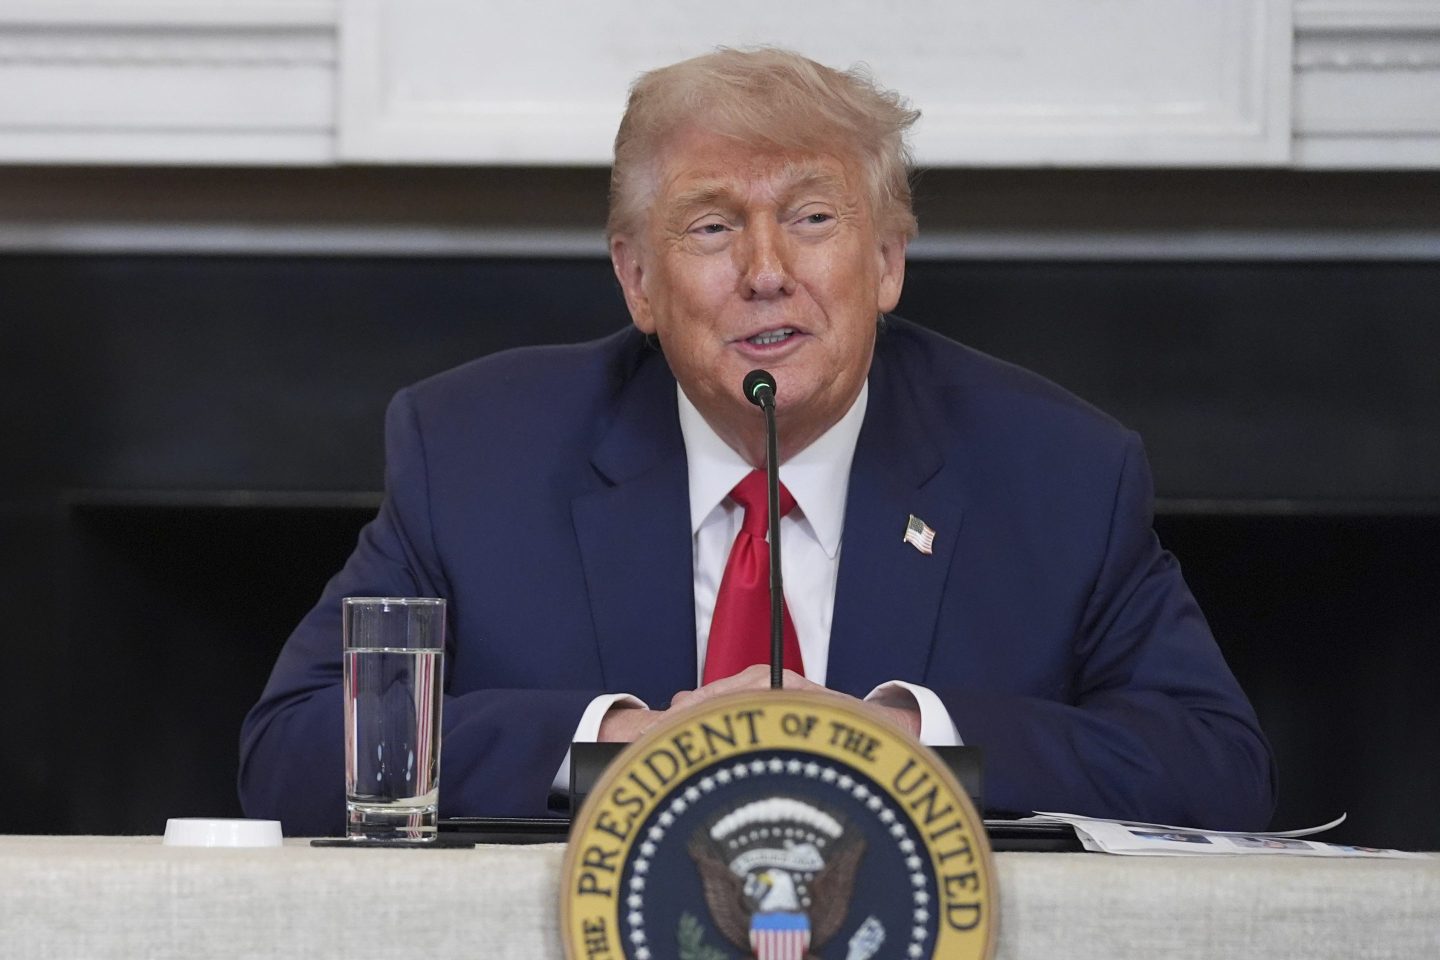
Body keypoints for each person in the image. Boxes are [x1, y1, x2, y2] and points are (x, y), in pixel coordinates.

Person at [239, 47, 1276, 836]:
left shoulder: (1061, 473)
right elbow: (290, 751)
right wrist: (621, 749)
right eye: (711, 226)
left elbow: (1218, 772)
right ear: (639, 281)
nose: (767, 269)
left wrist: (915, 749)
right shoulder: (472, 454)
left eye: (813, 218)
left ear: (885, 260)